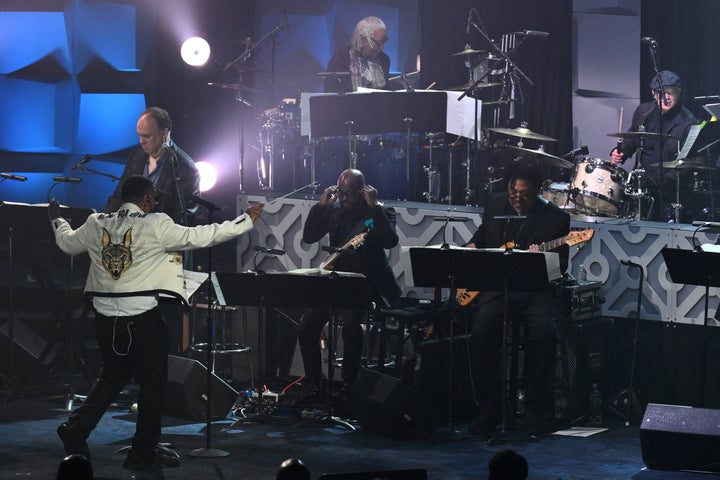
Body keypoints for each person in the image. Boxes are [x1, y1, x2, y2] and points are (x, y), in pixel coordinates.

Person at [49, 175, 264, 470]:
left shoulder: (96, 223)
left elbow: (66, 244)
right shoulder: (155, 224)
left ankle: (76, 428)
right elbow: (201, 236)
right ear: (147, 199)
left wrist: (57, 219)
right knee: (152, 387)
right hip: (141, 320)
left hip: (105, 321)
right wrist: (244, 220)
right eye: (153, 200)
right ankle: (142, 453)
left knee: (111, 379)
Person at [466, 162, 569, 437]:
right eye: (513, 193)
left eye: (523, 194)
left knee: (544, 335)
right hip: (499, 290)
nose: (517, 199)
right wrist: (467, 250)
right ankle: (489, 408)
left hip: (535, 292)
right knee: (480, 333)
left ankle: (535, 409)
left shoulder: (555, 218)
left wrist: (541, 258)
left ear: (537, 191)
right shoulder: (494, 206)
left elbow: (561, 267)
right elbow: (479, 239)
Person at [299, 169, 401, 389]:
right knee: (307, 325)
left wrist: (374, 207)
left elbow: (389, 241)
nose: (343, 198)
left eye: (348, 194)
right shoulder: (334, 210)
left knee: (351, 324)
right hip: (338, 279)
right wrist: (320, 207)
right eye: (340, 193)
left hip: (367, 281)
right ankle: (313, 383)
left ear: (362, 192)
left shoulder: (381, 210)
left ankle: (349, 384)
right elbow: (308, 237)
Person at [610, 70, 697, 220]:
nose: (666, 97)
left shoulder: (687, 122)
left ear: (679, 93)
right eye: (661, 92)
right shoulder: (644, 112)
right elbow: (632, 138)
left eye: (671, 93)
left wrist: (665, 182)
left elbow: (688, 163)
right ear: (653, 93)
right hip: (642, 186)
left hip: (669, 193)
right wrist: (620, 153)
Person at [103, 106, 200, 226]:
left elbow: (184, 216)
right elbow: (119, 197)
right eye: (139, 135)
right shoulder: (136, 157)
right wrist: (102, 221)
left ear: (164, 133)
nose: (141, 141)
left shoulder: (186, 168)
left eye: (146, 136)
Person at [324, 16, 392, 93]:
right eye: (377, 43)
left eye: (383, 42)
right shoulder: (340, 60)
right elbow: (330, 94)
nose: (382, 47)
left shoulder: (384, 59)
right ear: (362, 38)